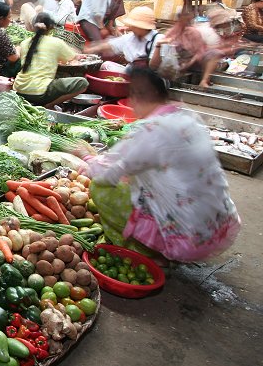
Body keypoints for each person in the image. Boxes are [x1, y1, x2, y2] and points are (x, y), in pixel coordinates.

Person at [85, 68, 241, 263]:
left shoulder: (151, 131)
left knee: (100, 187)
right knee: (140, 177)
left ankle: (141, 252)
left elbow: (110, 171)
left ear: (136, 97)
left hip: (187, 238)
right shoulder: (187, 118)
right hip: (217, 227)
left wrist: (87, 160)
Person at [13, 13, 88, 108]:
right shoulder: (56, 42)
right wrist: (79, 56)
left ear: (33, 27)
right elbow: (71, 58)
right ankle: (49, 105)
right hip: (40, 91)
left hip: (19, 89)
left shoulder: (24, 43)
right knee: (83, 83)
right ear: (51, 28)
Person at [149, 4, 219, 87]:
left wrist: (189, 62)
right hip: (176, 62)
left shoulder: (193, 32)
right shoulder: (171, 32)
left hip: (193, 62)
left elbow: (200, 52)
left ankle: (204, 80)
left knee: (213, 53)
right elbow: (166, 50)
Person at [86, 6, 162, 73]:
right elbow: (110, 45)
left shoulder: (158, 39)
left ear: (142, 27)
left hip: (152, 80)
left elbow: (154, 67)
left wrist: (158, 46)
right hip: (132, 74)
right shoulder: (131, 37)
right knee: (106, 65)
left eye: (133, 26)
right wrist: (90, 49)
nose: (130, 28)